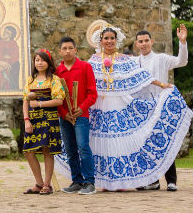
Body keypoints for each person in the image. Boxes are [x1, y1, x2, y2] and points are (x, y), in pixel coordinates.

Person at [70, 22, 192, 191]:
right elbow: (84, 79)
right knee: (101, 143)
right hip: (99, 106)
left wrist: (162, 85)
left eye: (112, 38)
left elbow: (141, 76)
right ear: (101, 40)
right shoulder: (94, 60)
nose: (109, 41)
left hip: (126, 105)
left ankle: (160, 180)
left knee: (135, 140)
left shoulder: (130, 59)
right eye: (106, 38)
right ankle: (105, 182)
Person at [133, 25, 188, 191]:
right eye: (140, 41)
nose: (144, 44)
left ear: (152, 41)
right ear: (136, 44)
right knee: (145, 145)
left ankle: (171, 180)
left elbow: (182, 62)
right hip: (142, 109)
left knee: (165, 141)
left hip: (160, 104)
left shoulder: (161, 59)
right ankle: (152, 181)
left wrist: (183, 43)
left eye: (146, 41)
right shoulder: (133, 63)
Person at [54, 37, 98, 195]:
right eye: (64, 48)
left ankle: (89, 182)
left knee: (83, 148)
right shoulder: (57, 73)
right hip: (65, 117)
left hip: (81, 115)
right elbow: (55, 97)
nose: (67, 51)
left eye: (70, 48)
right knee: (71, 149)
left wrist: (81, 108)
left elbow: (92, 93)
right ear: (60, 51)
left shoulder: (85, 67)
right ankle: (77, 181)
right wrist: (64, 114)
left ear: (75, 50)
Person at [22, 49, 65, 195]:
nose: (39, 63)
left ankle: (47, 184)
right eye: (37, 60)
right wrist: (26, 120)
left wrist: (40, 104)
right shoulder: (30, 80)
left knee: (47, 151)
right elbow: (25, 102)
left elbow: (59, 100)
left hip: (49, 119)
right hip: (33, 120)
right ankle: (39, 183)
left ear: (48, 62)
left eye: (43, 60)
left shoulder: (54, 80)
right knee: (28, 151)